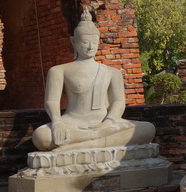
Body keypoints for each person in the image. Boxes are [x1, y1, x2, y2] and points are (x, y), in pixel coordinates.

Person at [31, 9, 155, 151]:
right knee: (41, 137)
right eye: (85, 42)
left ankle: (83, 143)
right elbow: (51, 101)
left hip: (105, 123)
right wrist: (57, 122)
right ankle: (95, 139)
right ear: (74, 42)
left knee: (148, 129)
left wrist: (108, 123)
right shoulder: (59, 70)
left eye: (94, 41)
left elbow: (118, 102)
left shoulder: (112, 72)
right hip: (72, 122)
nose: (90, 46)